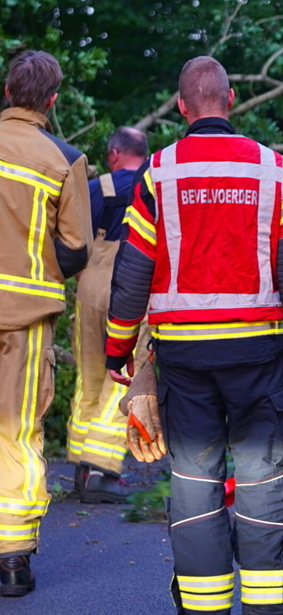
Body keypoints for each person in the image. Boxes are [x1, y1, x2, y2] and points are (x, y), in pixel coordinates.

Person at [105, 56, 283, 615]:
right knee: (263, 471)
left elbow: (132, 274)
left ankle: (203, 607)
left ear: (182, 107)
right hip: (256, 351)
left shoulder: (158, 172)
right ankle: (268, 603)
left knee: (194, 477)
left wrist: (118, 349)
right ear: (229, 100)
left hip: (183, 356)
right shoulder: (271, 169)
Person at [0, 50, 92, 597]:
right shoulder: (62, 157)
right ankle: (11, 561)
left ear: (9, 91)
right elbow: (77, 252)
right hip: (26, 316)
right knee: (16, 432)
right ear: (52, 100)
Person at [68, 127, 151, 503]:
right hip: (133, 286)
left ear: (115, 153)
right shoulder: (155, 182)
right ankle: (102, 468)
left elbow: (74, 239)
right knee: (124, 374)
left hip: (92, 283)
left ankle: (81, 468)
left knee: (89, 373)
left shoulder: (95, 186)